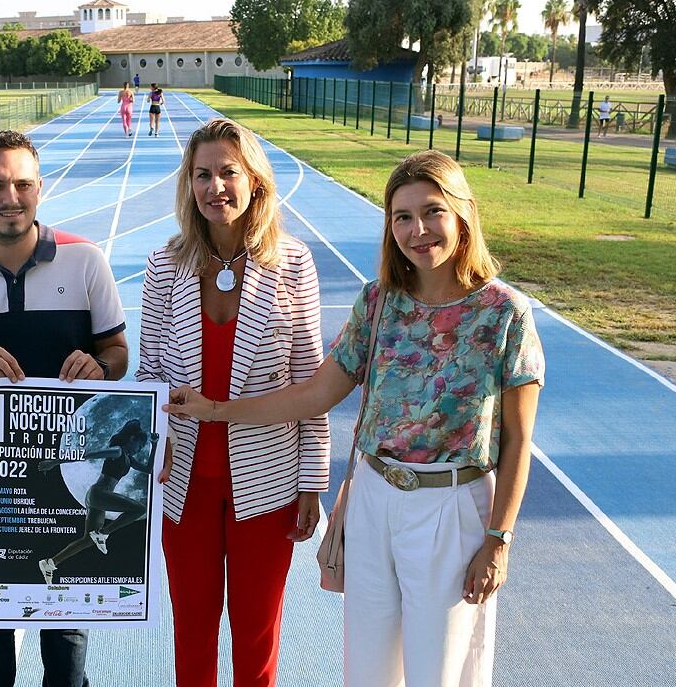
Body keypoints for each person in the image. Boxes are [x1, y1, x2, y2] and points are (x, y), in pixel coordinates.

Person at [166, 149, 545, 687]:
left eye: (432, 211)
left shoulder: (504, 313)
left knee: (438, 673)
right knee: (366, 671)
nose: (419, 230)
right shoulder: (378, 302)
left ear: (463, 213)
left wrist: (498, 539)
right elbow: (315, 394)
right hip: (373, 501)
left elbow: (518, 442)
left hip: (450, 508)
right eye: (402, 217)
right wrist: (218, 411)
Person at [0, 129, 129, 687]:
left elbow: (118, 354)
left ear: (40, 188)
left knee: (66, 638)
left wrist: (99, 368)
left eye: (22, 184)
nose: (11, 197)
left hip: (69, 476)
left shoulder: (86, 260)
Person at [137, 117, 331, 687]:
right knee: (191, 627)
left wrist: (311, 481)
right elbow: (149, 371)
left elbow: (310, 381)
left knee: (256, 628)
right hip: (184, 482)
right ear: (188, 185)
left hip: (268, 481)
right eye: (202, 175)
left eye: (228, 172)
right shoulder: (162, 265)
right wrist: (152, 455)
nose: (214, 187)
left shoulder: (292, 263)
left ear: (255, 181)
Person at [36, 419, 158, 583]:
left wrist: (154, 445)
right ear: (132, 439)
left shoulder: (129, 458)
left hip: (98, 497)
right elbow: (88, 455)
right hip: (99, 494)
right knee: (140, 509)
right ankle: (103, 533)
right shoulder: (117, 451)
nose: (139, 450)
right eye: (140, 446)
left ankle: (50, 562)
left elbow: (148, 469)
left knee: (88, 539)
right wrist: (54, 462)